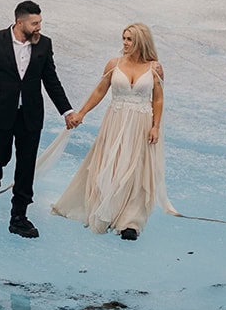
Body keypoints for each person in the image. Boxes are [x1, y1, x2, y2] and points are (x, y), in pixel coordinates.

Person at [50, 23, 176, 240]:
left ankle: (130, 222)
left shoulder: (155, 68)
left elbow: (158, 98)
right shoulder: (113, 64)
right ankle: (104, 211)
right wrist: (82, 113)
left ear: (141, 42)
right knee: (111, 164)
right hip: (115, 121)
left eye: (130, 39)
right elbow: (100, 90)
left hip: (141, 123)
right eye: (124, 38)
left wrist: (155, 126)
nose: (125, 43)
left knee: (135, 169)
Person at [0, 1, 79, 238]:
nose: (39, 27)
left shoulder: (44, 44)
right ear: (20, 22)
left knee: (26, 166)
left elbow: (51, 80)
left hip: (29, 115)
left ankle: (19, 216)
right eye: (34, 23)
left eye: (40, 22)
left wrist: (67, 111)